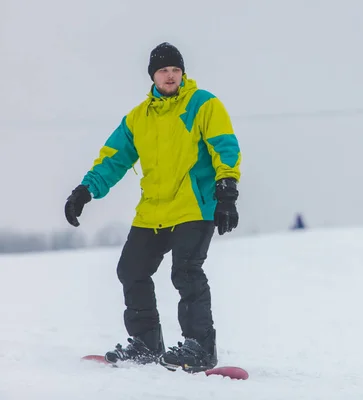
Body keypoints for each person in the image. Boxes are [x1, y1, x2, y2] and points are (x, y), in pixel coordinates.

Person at [64, 42, 241, 373]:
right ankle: (146, 343)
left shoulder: (203, 104)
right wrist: (85, 190)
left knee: (186, 272)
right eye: (163, 70)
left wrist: (227, 189)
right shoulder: (137, 118)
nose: (170, 75)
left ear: (182, 73)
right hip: (153, 211)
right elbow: (113, 159)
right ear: (153, 76)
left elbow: (223, 145)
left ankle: (200, 347)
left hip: (193, 206)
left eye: (175, 69)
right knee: (131, 270)